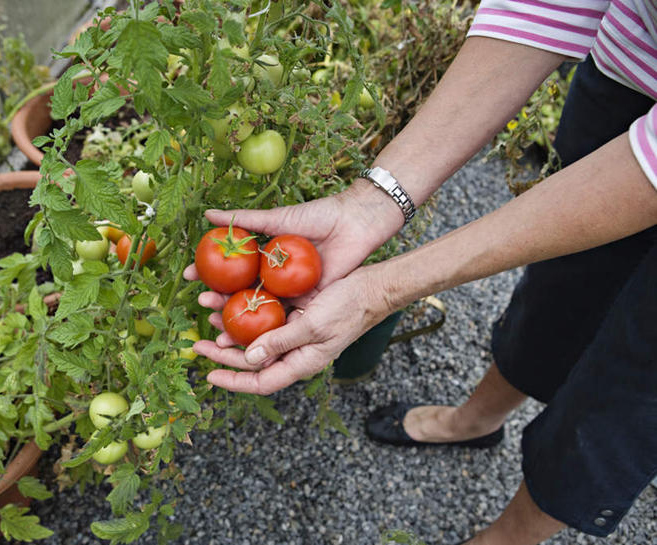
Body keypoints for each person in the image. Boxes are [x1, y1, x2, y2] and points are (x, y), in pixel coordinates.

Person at [183, 1, 657, 544]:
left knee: (631, 386)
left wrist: (383, 289)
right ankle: (476, 420)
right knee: (562, 284)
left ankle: (510, 537)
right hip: (631, 64)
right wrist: (369, 207)